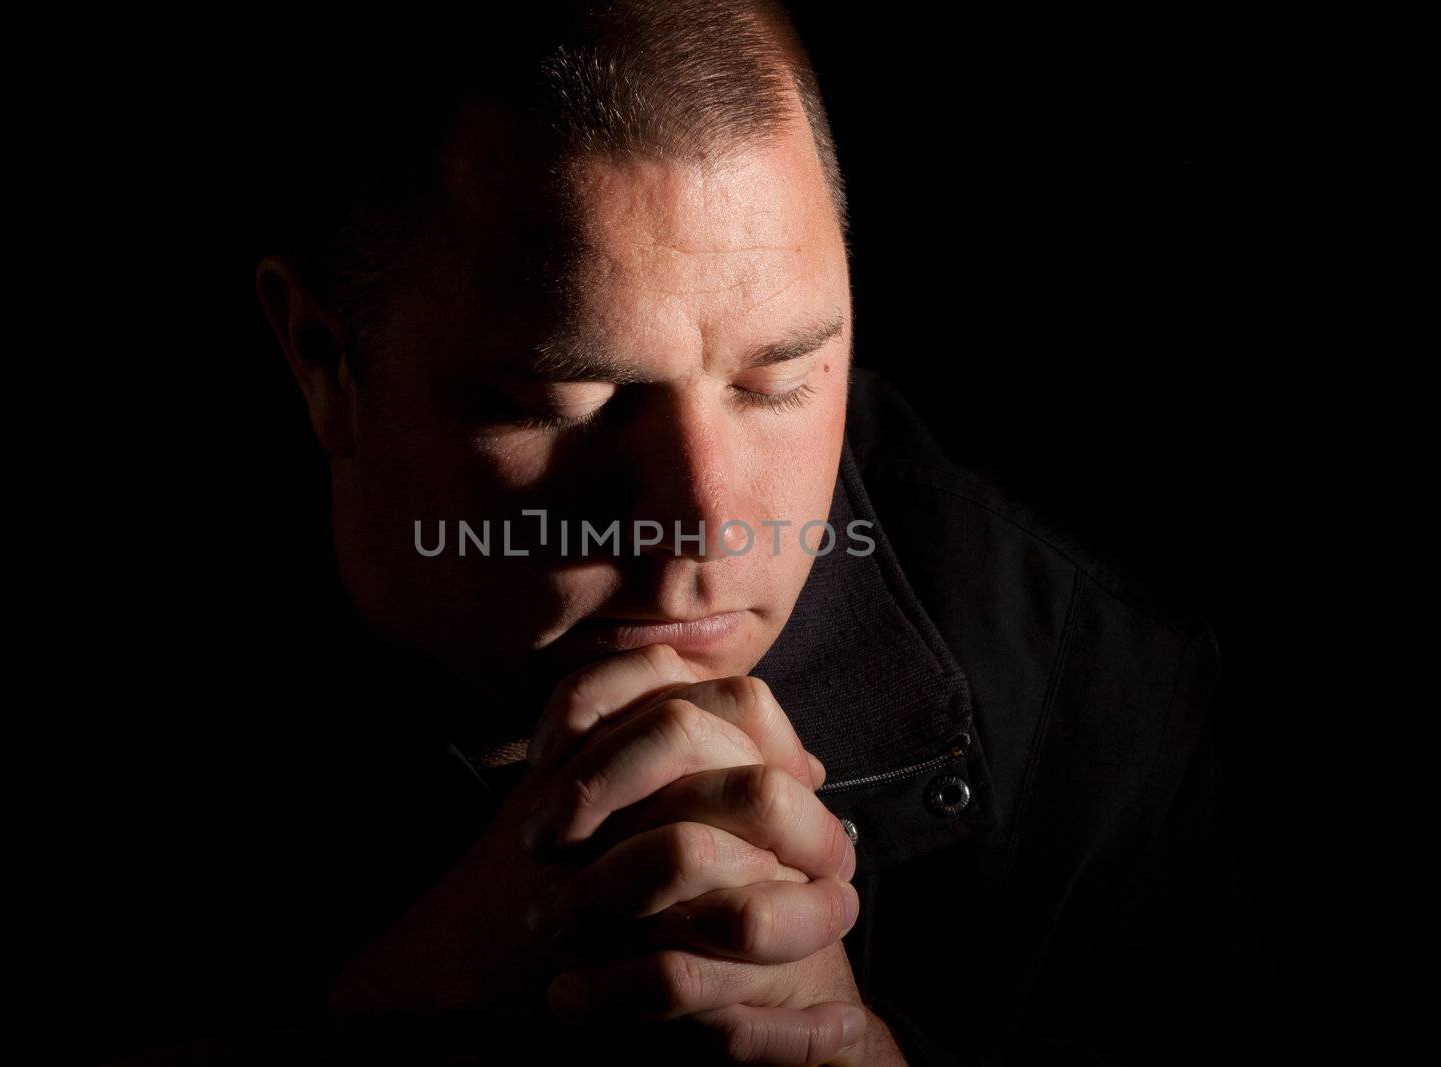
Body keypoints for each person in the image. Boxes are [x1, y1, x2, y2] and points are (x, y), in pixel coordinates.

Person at [88, 3, 1254, 1064]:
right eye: (569, 403)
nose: (703, 526)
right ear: (322, 359)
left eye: (780, 378)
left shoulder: (1098, 703)